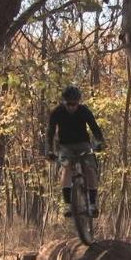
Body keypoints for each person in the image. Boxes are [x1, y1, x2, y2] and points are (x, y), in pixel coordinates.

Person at [45, 86, 106, 217]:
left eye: (75, 104)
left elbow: (95, 128)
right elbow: (50, 132)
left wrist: (99, 142)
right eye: (69, 104)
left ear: (78, 102)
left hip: (83, 144)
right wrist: (49, 150)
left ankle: (92, 204)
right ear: (64, 102)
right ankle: (68, 205)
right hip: (65, 145)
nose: (72, 107)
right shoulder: (57, 112)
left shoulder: (84, 111)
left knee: (90, 168)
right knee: (66, 167)